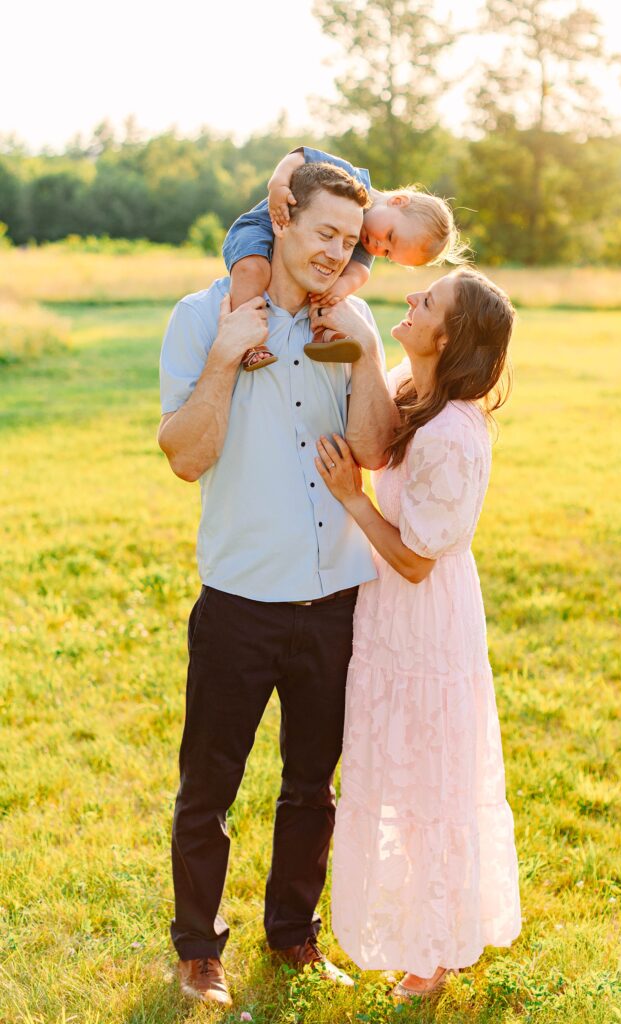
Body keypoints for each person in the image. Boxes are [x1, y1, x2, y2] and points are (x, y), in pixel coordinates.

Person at [157, 161, 399, 1006]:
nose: (335, 253)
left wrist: (367, 352)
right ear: (281, 219)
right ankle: (198, 952)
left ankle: (294, 937)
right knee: (209, 787)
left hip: (334, 599)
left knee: (312, 786)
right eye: (323, 233)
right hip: (239, 603)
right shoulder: (203, 317)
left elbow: (371, 449)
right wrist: (225, 358)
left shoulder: (353, 319)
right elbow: (185, 456)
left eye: (347, 239)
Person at [314, 267, 522, 1001]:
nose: (410, 300)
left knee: (430, 782)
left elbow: (411, 560)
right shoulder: (415, 387)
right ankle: (424, 933)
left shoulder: (454, 436)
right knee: (397, 770)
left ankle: (431, 952)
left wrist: (351, 497)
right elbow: (363, 399)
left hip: (426, 620)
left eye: (425, 302)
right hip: (390, 623)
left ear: (449, 336)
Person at [223, 145, 459, 370]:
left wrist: (339, 288)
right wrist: (278, 185)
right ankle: (247, 339)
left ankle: (324, 334)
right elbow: (299, 156)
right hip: (264, 223)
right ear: (397, 202)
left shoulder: (366, 239)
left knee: (328, 290)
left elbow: (360, 272)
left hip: (302, 255)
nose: (378, 246)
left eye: (387, 252)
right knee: (254, 269)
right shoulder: (350, 179)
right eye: (389, 235)